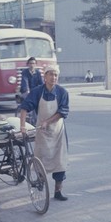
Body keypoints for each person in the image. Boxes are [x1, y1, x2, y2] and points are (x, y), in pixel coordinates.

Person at [19, 65, 70, 201]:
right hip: (42, 132)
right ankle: (40, 181)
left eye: (56, 75)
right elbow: (24, 108)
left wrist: (48, 121)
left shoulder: (62, 92)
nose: (53, 77)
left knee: (60, 162)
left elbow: (62, 112)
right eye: (51, 74)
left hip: (58, 132)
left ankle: (58, 191)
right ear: (45, 76)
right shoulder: (37, 92)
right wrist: (22, 126)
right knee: (41, 158)